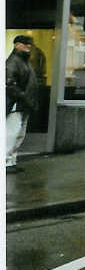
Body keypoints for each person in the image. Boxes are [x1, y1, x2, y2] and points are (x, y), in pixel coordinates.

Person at [6, 35, 38, 172]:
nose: (28, 46)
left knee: (18, 134)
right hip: (17, 104)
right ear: (17, 45)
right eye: (25, 44)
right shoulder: (14, 62)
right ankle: (6, 162)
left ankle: (11, 161)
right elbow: (9, 85)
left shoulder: (22, 61)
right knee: (12, 133)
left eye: (29, 44)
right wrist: (24, 97)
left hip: (22, 103)